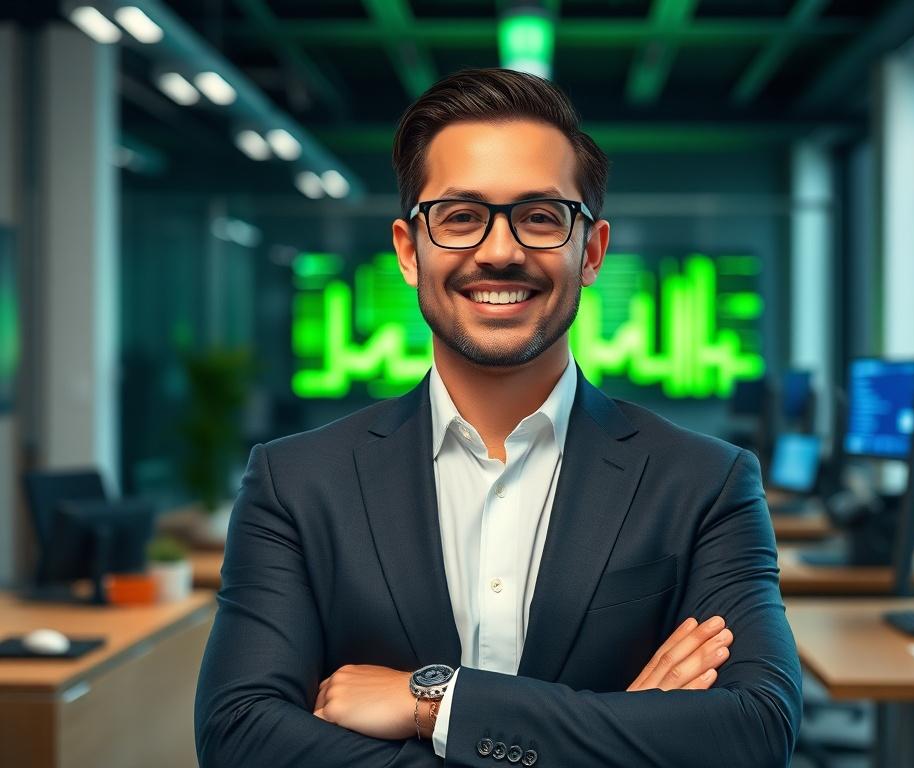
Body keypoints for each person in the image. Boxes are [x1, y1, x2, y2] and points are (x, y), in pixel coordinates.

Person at [195, 68, 802, 768]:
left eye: (541, 217)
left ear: (593, 250)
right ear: (407, 251)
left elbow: (753, 734)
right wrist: (620, 733)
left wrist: (437, 702)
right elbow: (239, 740)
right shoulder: (295, 483)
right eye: (459, 217)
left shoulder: (706, 484)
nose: (500, 251)